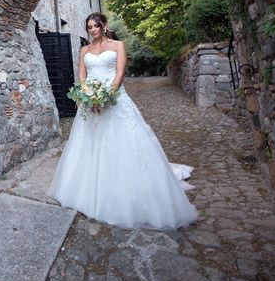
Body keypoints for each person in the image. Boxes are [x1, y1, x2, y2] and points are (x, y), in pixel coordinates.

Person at [48, 12, 198, 229]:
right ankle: (87, 191)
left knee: (124, 142)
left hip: (114, 98)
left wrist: (106, 96)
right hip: (91, 102)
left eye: (96, 26)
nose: (93, 30)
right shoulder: (84, 50)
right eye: (89, 27)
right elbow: (82, 76)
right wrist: (89, 95)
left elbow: (119, 73)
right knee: (89, 143)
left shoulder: (118, 45)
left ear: (104, 25)